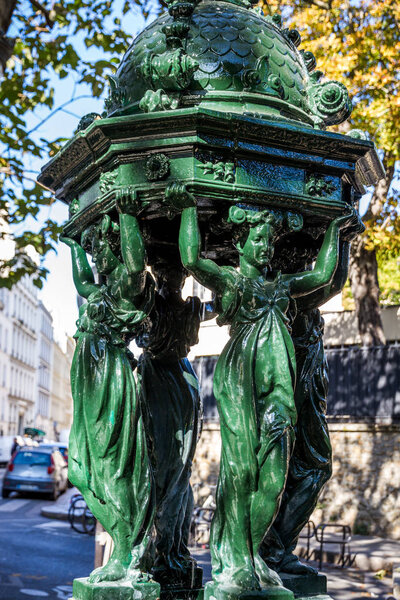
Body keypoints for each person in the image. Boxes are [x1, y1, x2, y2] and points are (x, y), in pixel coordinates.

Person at [170, 184, 360, 599]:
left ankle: (253, 551)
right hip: (243, 384)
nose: (267, 247)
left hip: (279, 393)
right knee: (243, 474)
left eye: (269, 241)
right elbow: (191, 259)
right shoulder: (234, 284)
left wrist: (336, 232)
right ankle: (240, 559)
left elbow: (322, 275)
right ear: (242, 242)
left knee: (273, 476)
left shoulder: (281, 288)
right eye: (259, 239)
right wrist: (186, 206)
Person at [61, 190, 155, 584]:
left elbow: (135, 263)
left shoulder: (124, 283)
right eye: (95, 248)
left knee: (113, 466)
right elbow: (82, 280)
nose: (97, 255)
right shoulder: (100, 290)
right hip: (89, 384)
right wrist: (72, 244)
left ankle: (125, 551)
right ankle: (125, 545)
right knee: (83, 469)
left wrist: (130, 218)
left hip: (110, 380)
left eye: (102, 247)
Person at [261, 232, 360, 575]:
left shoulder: (298, 299)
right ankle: (273, 547)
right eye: (301, 262)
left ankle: (276, 547)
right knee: (306, 467)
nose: (307, 266)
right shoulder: (289, 294)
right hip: (296, 396)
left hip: (308, 396)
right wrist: (343, 234)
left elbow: (333, 281)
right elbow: (332, 282)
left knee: (307, 469)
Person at [136, 258, 214, 587]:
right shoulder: (154, 306)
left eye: (177, 274)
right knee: (167, 464)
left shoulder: (166, 307)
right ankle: (162, 546)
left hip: (174, 380)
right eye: (169, 273)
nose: (173, 278)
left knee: (175, 465)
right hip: (172, 378)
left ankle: (167, 547)